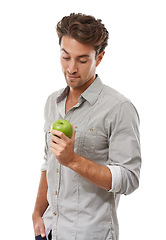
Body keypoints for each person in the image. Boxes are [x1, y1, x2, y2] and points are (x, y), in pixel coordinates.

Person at [32, 13, 141, 240]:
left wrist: (73, 160)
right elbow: (48, 161)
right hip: (50, 230)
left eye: (82, 60)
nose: (71, 68)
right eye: (65, 56)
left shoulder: (119, 108)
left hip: (89, 234)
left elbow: (129, 178)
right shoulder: (53, 102)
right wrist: (37, 212)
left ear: (99, 58)